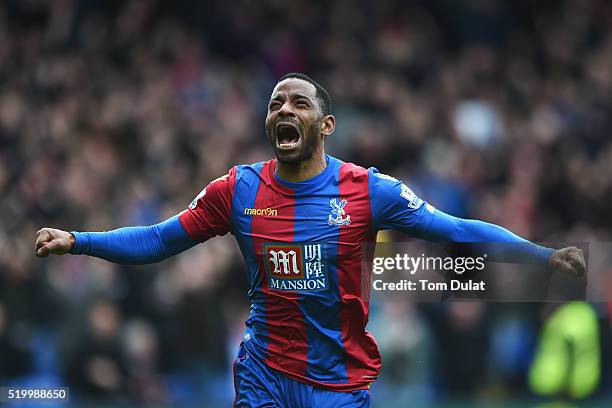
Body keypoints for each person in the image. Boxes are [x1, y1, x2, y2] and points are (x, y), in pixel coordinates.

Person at [35, 73, 586, 408]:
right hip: (265, 369)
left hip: (338, 382)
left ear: (326, 125)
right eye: (276, 104)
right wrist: (79, 239)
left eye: (298, 103)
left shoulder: (370, 191)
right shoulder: (238, 189)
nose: (284, 111)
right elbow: (159, 239)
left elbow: (458, 229)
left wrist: (540, 254)